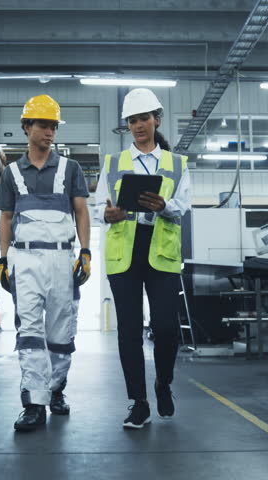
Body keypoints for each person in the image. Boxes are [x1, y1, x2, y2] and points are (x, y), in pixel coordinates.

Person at [94, 88, 191, 429]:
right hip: (125, 254)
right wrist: (107, 215)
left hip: (161, 252)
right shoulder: (113, 163)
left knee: (166, 328)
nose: (138, 125)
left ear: (156, 120)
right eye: (132, 120)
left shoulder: (177, 164)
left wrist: (165, 206)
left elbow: (183, 206)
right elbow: (98, 207)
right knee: (129, 331)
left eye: (143, 119)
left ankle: (163, 384)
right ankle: (139, 402)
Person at [0, 94, 91, 432]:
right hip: (24, 260)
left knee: (61, 333)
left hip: (62, 259)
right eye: (43, 125)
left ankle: (55, 389)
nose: (49, 132)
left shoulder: (70, 168)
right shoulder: (11, 172)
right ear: (26, 127)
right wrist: (3, 259)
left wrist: (85, 252)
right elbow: (6, 218)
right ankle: (34, 403)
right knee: (30, 332)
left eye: (53, 126)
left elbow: (81, 211)